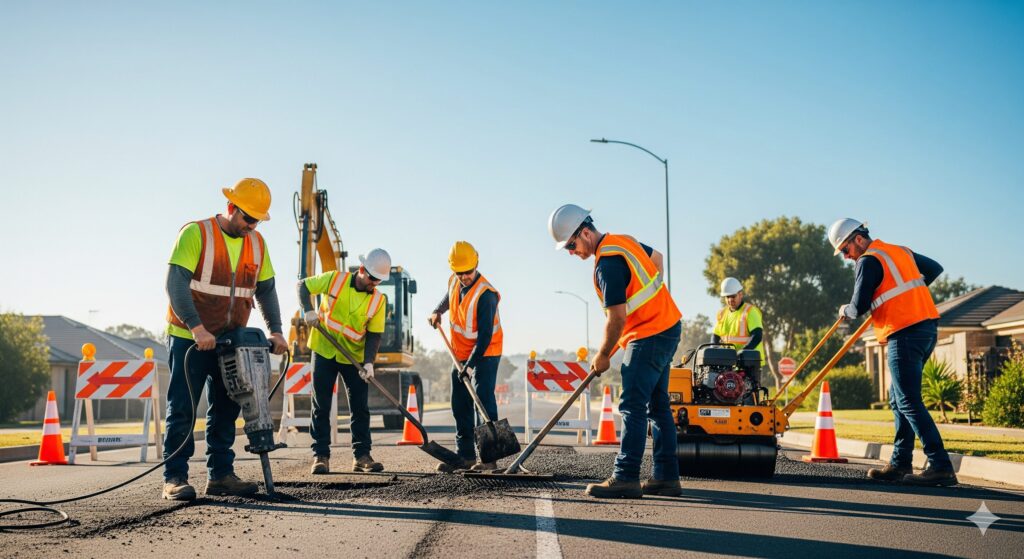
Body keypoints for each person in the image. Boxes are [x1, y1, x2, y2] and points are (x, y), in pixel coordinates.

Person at [162, 178, 288, 501]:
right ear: (231, 208)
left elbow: (266, 289)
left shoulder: (257, 244)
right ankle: (174, 477)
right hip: (189, 338)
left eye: (257, 220)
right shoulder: (197, 233)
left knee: (226, 408)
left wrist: (275, 330)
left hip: (230, 342)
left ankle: (220, 475)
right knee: (183, 409)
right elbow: (176, 283)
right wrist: (196, 327)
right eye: (247, 218)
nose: (251, 226)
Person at [548, 204, 682, 498]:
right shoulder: (623, 241)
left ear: (585, 232)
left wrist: (603, 354)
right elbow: (657, 259)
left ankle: (626, 477)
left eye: (572, 245)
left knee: (632, 406)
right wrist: (652, 305)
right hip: (667, 326)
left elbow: (617, 318)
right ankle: (666, 477)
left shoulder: (607, 263)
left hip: (648, 334)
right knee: (658, 407)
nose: (572, 253)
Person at [828, 218, 956, 486]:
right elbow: (934, 268)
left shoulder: (868, 260)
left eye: (845, 250)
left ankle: (940, 465)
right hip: (925, 328)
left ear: (858, 239)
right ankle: (899, 463)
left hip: (904, 331)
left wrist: (844, 310)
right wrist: (906, 295)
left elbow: (857, 306)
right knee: (899, 400)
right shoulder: (900, 251)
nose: (846, 256)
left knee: (908, 401)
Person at [299, 249, 392, 475]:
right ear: (361, 270)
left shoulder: (379, 300)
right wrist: (308, 310)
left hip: (355, 357)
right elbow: (302, 286)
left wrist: (369, 362)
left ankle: (362, 456)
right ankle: (320, 455)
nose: (374, 283)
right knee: (321, 404)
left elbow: (374, 334)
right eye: (371, 278)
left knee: (360, 407)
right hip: (324, 349)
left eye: (378, 280)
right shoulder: (335, 279)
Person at [428, 241, 503, 472]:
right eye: (459, 273)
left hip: (486, 352)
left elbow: (484, 337)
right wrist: (437, 311)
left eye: (468, 272)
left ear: (476, 264)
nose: (464, 277)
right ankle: (466, 456)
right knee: (459, 404)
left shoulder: (486, 294)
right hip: (458, 353)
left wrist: (470, 366)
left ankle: (490, 459)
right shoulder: (455, 280)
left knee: (482, 401)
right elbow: (448, 297)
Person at [712, 277, 765, 387]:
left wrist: (742, 353)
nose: (730, 300)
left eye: (733, 296)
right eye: (727, 297)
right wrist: (713, 350)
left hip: (749, 363)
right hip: (728, 363)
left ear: (740, 294)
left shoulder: (750, 311)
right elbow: (716, 335)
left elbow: (757, 335)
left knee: (748, 397)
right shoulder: (722, 313)